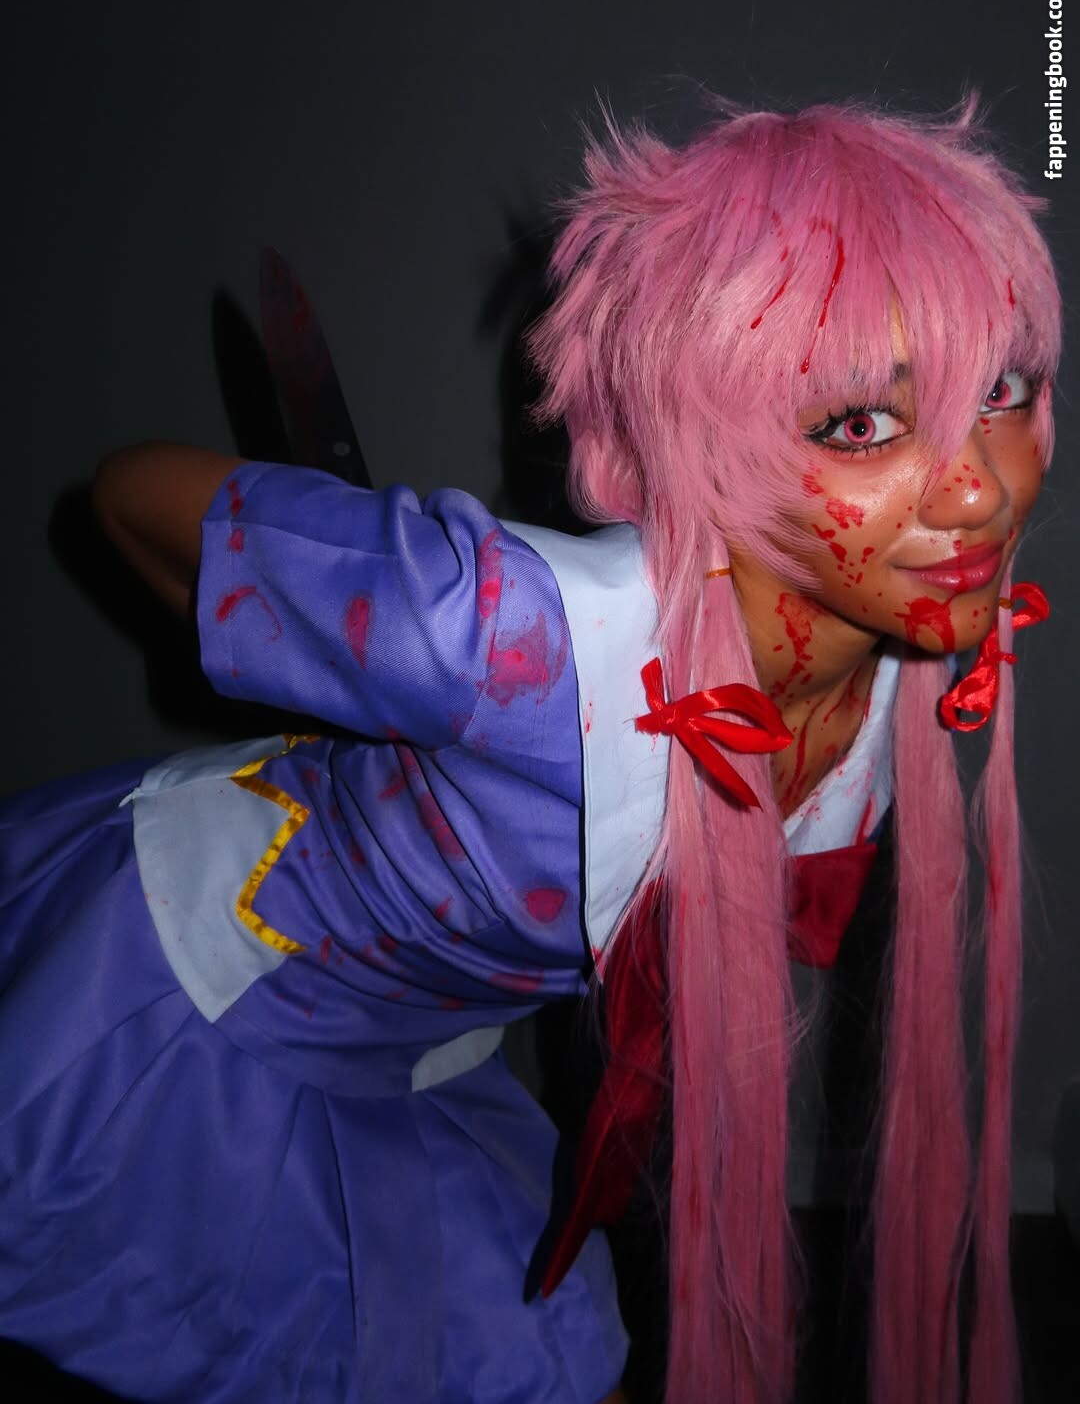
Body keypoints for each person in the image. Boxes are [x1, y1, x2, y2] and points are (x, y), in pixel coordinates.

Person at [0, 99, 1061, 1404]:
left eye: (1003, 393)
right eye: (861, 425)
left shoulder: (893, 696)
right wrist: (343, 623)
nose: (980, 489)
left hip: (412, 1060)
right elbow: (124, 498)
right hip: (164, 1001)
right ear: (704, 443)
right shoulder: (503, 631)